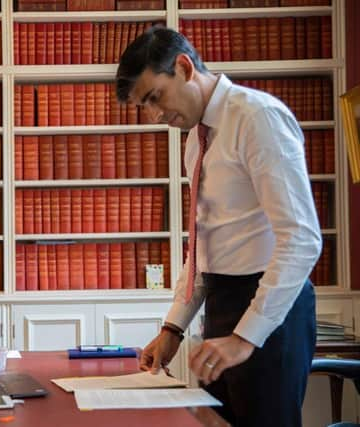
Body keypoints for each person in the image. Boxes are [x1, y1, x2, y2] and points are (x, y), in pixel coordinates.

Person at [115, 26, 322, 427]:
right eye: (145, 106)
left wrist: (245, 337)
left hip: (271, 308)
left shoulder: (257, 117)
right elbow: (204, 245)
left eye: (155, 96)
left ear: (184, 66)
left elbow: (301, 239)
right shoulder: (197, 137)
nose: (156, 116)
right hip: (222, 302)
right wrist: (174, 326)